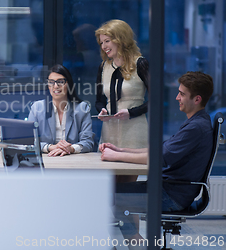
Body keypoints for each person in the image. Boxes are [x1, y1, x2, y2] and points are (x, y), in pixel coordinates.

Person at [100, 71, 214, 246]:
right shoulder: (196, 122)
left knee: (114, 195)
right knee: (114, 191)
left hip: (171, 195)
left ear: (197, 99)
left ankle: (137, 245)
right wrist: (120, 149)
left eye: (182, 94)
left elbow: (159, 158)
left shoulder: (196, 127)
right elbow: (159, 151)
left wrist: (115, 156)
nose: (177, 98)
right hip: (167, 188)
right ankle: (137, 244)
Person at [95, 19, 149, 149]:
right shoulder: (103, 67)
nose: (103, 47)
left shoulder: (140, 64)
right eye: (101, 43)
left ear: (121, 39)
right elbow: (99, 101)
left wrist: (131, 112)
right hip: (109, 131)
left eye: (107, 41)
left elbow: (156, 100)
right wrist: (102, 111)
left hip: (135, 130)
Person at [27, 64, 95, 157]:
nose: (55, 86)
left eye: (60, 82)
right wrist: (50, 147)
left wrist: (71, 148)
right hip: (47, 159)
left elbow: (88, 142)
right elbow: (29, 141)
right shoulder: (37, 108)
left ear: (68, 84)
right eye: (51, 82)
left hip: (73, 161)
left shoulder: (82, 108)